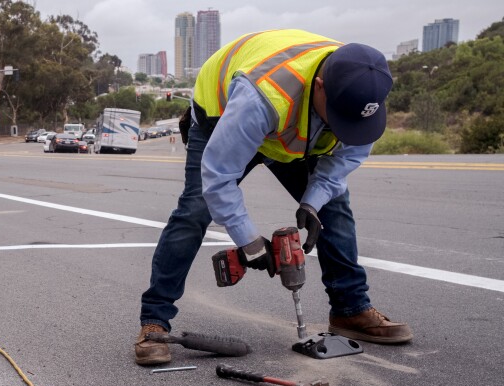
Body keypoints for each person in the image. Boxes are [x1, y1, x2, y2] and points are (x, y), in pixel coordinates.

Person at [136, 29, 413, 366]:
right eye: (340, 117)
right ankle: (154, 322)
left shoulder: (362, 96)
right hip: (222, 112)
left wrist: (313, 202)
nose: (346, 128)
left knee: (335, 208)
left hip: (291, 131)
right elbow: (219, 177)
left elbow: (346, 159)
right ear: (322, 86)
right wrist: (249, 243)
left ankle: (350, 311)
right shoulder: (263, 95)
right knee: (195, 210)